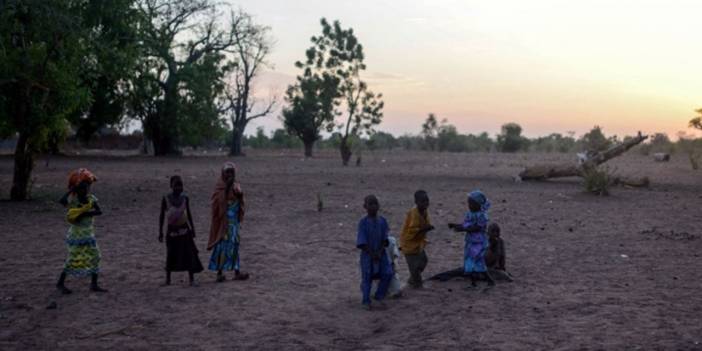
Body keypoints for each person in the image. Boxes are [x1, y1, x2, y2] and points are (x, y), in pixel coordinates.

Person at [56, 168, 107, 294]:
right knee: (73, 258)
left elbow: (99, 211)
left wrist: (83, 214)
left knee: (96, 256)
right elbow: (62, 201)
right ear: (76, 189)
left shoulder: (91, 199)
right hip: (76, 234)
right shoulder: (74, 201)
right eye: (83, 188)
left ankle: (94, 284)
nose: (86, 190)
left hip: (88, 233)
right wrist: (71, 190)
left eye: (87, 187)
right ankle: (60, 283)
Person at [207, 162, 249, 282]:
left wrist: (239, 195)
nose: (230, 174)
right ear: (223, 173)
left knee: (234, 245)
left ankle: (237, 271)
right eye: (227, 172)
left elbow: (241, 200)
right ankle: (220, 273)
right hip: (224, 222)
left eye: (232, 172)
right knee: (222, 245)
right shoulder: (220, 187)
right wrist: (226, 190)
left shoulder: (236, 185)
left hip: (234, 222)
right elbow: (218, 205)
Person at [159, 175, 204, 286]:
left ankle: (191, 280)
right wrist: (160, 231)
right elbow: (161, 215)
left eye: (181, 185)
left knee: (189, 254)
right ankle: (168, 279)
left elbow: (189, 214)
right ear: (171, 186)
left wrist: (193, 228)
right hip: (172, 231)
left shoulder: (185, 198)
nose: (179, 188)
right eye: (176, 185)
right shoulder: (166, 198)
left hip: (185, 230)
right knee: (170, 254)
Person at [448, 190, 495, 288]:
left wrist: (463, 229)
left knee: (476, 262)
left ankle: (489, 280)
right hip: (471, 242)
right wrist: (456, 225)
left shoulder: (482, 215)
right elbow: (465, 224)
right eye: (469, 203)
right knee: (471, 262)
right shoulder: (469, 214)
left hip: (479, 242)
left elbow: (477, 228)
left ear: (479, 204)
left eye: (472, 204)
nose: (469, 206)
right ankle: (474, 283)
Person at [356, 195, 393, 310]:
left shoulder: (382, 221)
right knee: (367, 277)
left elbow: (385, 240)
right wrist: (372, 254)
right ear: (365, 207)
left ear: (379, 206)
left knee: (387, 273)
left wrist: (379, 252)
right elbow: (361, 243)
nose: (373, 206)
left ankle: (379, 296)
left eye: (375, 204)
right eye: (370, 204)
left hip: (381, 254)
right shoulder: (363, 222)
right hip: (367, 256)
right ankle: (365, 301)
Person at [399, 190, 435, 288]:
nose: (426, 203)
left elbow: (425, 224)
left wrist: (427, 227)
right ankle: (417, 283)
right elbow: (412, 230)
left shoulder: (424, 211)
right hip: (409, 243)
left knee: (423, 261)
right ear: (416, 202)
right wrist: (424, 229)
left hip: (418, 243)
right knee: (413, 266)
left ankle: (412, 279)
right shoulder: (414, 213)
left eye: (427, 200)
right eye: (422, 201)